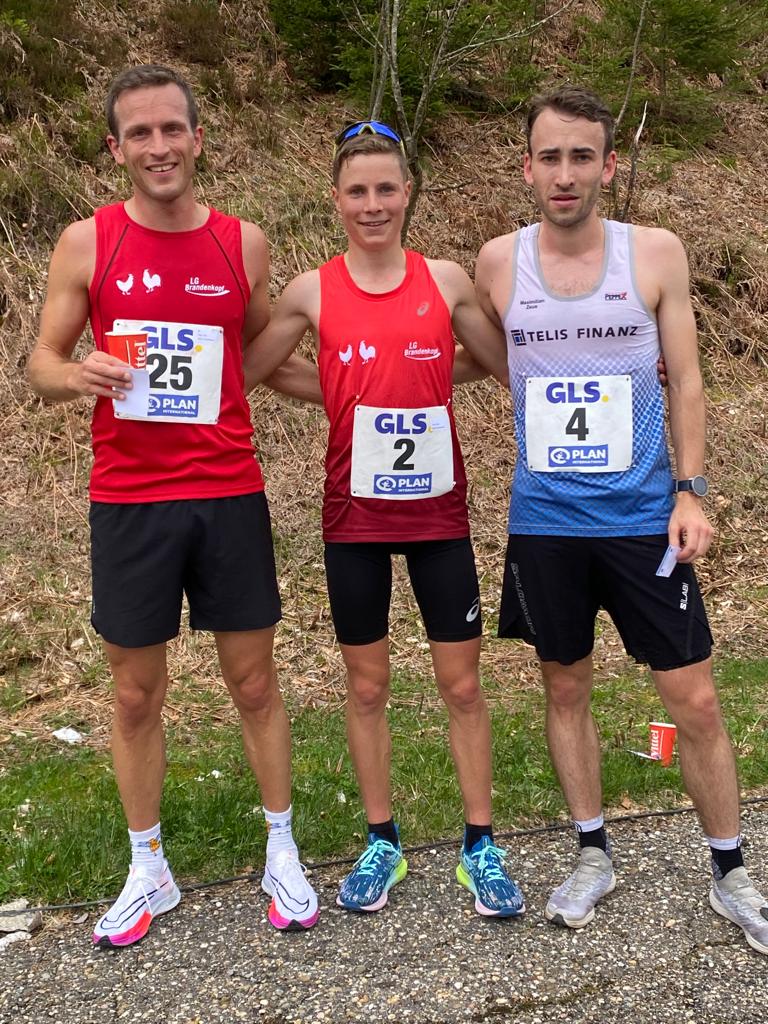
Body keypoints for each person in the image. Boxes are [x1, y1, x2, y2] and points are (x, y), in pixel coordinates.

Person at [26, 65, 319, 945]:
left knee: (255, 683)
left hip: (228, 490)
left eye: (171, 130)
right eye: (139, 134)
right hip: (130, 498)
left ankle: (281, 848)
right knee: (134, 694)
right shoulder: (87, 242)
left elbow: (262, 355)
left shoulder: (242, 243)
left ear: (198, 138)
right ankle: (147, 866)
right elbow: (40, 363)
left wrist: (365, 390)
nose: (158, 147)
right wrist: (77, 374)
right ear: (116, 149)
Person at [473, 85, 768, 954]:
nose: (564, 174)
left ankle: (731, 873)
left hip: (643, 518)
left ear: (609, 164)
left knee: (694, 697)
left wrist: (690, 491)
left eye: (581, 156)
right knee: (565, 688)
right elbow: (483, 355)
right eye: (549, 157)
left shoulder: (655, 253)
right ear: (527, 168)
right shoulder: (498, 263)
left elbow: (689, 379)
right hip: (545, 522)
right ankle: (592, 853)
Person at [242, 121, 524, 918]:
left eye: (386, 188)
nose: (373, 204)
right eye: (358, 191)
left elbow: (501, 361)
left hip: (439, 519)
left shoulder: (445, 280)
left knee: (461, 684)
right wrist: (337, 388)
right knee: (366, 686)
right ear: (337, 200)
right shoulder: (311, 290)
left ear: (407, 194)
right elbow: (255, 369)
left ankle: (480, 845)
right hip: (353, 521)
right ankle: (381, 841)